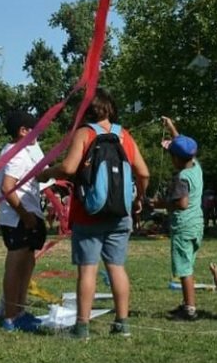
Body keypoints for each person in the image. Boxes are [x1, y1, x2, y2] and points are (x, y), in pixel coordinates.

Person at [43, 89, 149, 340]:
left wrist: (47, 173)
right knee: (117, 267)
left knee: (88, 270)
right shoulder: (124, 135)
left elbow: (68, 168)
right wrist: (138, 198)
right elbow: (144, 173)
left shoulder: (85, 133)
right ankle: (122, 324)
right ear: (111, 109)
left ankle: (82, 327)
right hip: (119, 213)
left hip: (88, 213)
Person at [0, 110, 47, 332]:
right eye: (34, 128)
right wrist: (25, 215)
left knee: (27, 264)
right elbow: (7, 187)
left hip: (25, 217)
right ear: (23, 131)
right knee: (16, 266)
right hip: (18, 219)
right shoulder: (16, 154)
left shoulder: (18, 152)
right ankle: (10, 317)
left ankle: (19, 311)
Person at [152, 117, 203, 321]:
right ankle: (186, 302)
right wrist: (171, 126)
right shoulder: (195, 167)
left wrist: (158, 204)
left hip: (184, 226)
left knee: (184, 268)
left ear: (176, 159)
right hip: (196, 224)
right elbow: (181, 142)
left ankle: (190, 309)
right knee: (187, 264)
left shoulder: (181, 177)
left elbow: (181, 204)